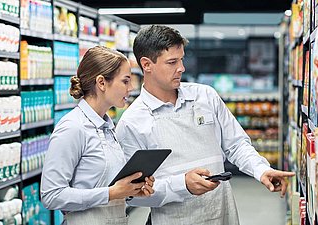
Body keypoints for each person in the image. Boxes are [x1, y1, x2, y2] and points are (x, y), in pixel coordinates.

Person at [115, 25, 295, 225]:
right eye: (172, 62)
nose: (181, 68)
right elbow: (133, 192)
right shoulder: (132, 123)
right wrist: (182, 185)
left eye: (181, 59)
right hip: (174, 220)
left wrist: (261, 169)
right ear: (147, 65)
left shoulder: (205, 97)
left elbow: (236, 144)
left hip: (222, 213)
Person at [41, 46, 155, 225]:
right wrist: (111, 193)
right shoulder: (73, 128)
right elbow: (51, 195)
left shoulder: (109, 128)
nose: (131, 88)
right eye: (125, 81)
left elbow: (108, 187)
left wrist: (130, 191)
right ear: (101, 82)